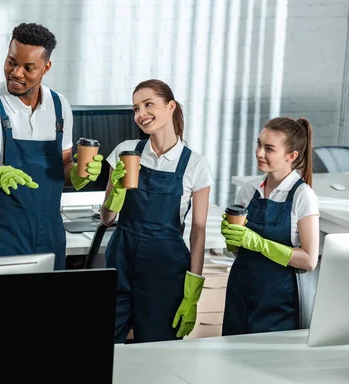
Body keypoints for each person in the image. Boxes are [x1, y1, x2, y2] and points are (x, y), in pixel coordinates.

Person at [0, 22, 103, 270]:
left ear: (46, 67)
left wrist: (80, 174)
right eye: (11, 62)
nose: (16, 72)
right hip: (1, 239)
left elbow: (64, 168)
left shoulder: (59, 107)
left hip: (51, 238)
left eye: (28, 68)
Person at [101, 79, 213, 343]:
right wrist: (116, 190)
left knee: (159, 352)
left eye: (148, 104)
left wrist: (192, 292)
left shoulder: (195, 165)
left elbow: (198, 231)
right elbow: (107, 218)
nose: (141, 114)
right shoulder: (125, 152)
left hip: (164, 270)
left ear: (170, 106)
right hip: (121, 262)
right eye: (136, 108)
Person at [221, 117, 319, 335]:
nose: (259, 153)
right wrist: (232, 239)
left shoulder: (302, 196)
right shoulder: (249, 190)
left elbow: (309, 259)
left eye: (269, 149)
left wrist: (259, 244)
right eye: (259, 144)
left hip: (277, 302)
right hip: (240, 292)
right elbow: (238, 252)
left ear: (291, 156)